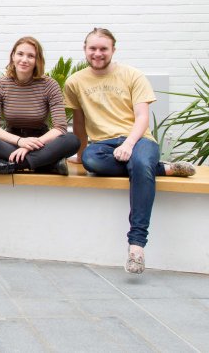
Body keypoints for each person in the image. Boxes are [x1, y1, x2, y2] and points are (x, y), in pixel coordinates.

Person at [64, 28, 196, 275]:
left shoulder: (132, 75)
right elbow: (79, 122)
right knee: (93, 162)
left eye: (103, 48)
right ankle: (164, 168)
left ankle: (136, 245)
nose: (98, 53)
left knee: (140, 163)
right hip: (103, 145)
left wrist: (128, 144)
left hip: (139, 139)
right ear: (85, 50)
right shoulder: (75, 82)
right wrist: (81, 155)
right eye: (92, 48)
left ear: (113, 49)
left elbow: (143, 117)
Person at [0, 36, 81, 175]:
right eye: (20, 54)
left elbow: (60, 128)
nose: (24, 60)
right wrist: (20, 142)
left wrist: (29, 146)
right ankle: (46, 166)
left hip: (41, 143)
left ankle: (9, 166)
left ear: (37, 60)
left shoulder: (50, 85)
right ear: (13, 56)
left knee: (72, 140)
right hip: (11, 141)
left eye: (31, 56)